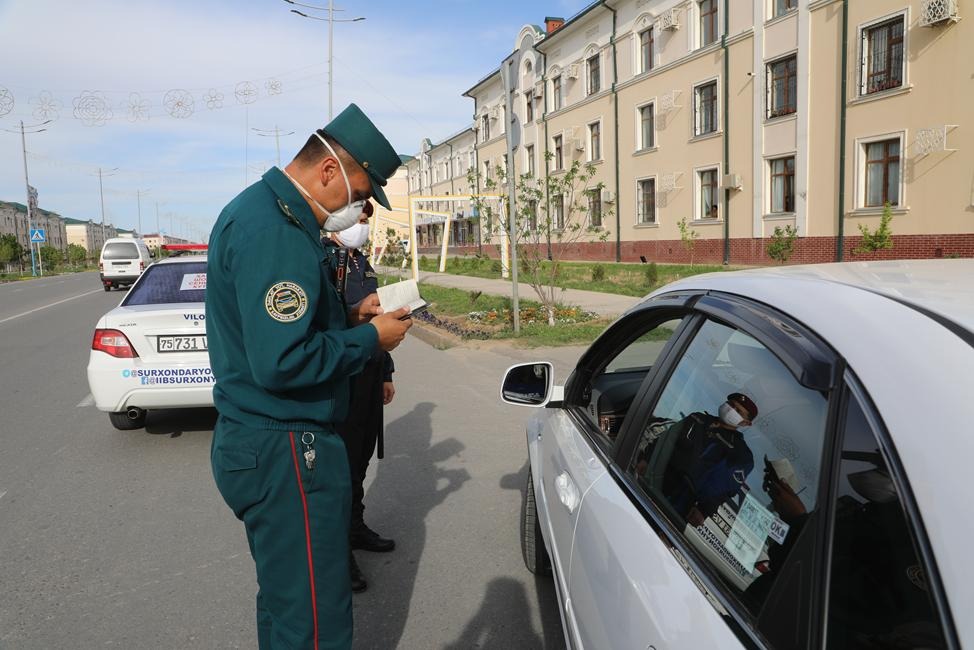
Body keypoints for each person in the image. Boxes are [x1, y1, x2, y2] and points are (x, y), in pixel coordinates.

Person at [206, 103, 412, 649]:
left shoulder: (263, 214)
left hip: (264, 442)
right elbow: (282, 362)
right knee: (314, 621)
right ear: (328, 173)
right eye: (360, 193)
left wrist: (349, 318)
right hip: (285, 449)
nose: (360, 208)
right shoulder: (276, 230)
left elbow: (275, 336)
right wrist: (372, 339)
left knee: (285, 604)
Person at [322, 201, 397, 593]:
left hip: (369, 369)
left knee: (362, 454)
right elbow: (331, 318)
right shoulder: (323, 261)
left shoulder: (359, 261)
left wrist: (386, 372)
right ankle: (338, 551)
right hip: (342, 373)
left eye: (368, 218)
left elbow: (377, 319)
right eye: (362, 217)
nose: (365, 223)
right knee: (341, 464)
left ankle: (355, 527)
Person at [649, 392, 759, 527]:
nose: (731, 410)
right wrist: (646, 457)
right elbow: (667, 439)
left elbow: (722, 486)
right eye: (731, 404)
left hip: (677, 507)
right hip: (650, 482)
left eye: (738, 411)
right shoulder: (697, 418)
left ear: (746, 423)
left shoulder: (740, 453)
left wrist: (704, 509)